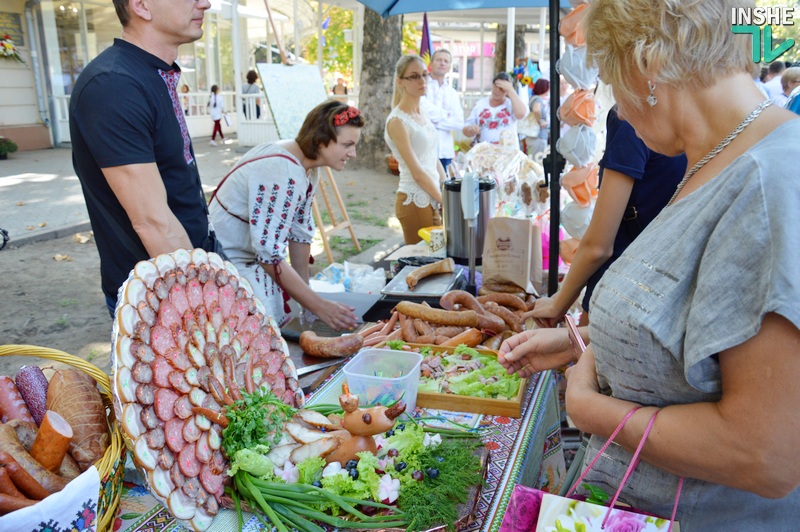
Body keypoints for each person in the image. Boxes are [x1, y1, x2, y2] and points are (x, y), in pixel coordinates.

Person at [527, 0, 800, 527]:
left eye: (609, 79)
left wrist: (592, 411)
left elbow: (766, 454)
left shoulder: (770, 183)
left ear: (646, 65)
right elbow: (694, 331)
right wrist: (578, 344)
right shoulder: (718, 154)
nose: (619, 110)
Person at [69, 0, 213, 316]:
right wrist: (207, 308)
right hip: (162, 298)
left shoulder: (149, 72)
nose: (206, 3)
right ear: (141, 6)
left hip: (188, 272)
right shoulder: (114, 83)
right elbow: (151, 221)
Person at [209, 100, 362, 330]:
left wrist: (308, 302)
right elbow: (268, 254)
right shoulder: (280, 169)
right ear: (321, 140)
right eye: (348, 144)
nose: (353, 153)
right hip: (225, 262)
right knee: (262, 331)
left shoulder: (306, 167)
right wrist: (318, 305)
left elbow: (299, 236)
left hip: (250, 259)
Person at [529, 106, 687, 327]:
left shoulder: (629, 114)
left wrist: (559, 303)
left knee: (585, 359)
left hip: (618, 288)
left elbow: (599, 246)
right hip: (665, 291)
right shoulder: (688, 112)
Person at [385, 55, 446, 245]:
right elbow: (417, 172)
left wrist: (447, 189)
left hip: (433, 195)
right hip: (414, 199)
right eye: (414, 76)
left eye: (424, 75)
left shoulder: (422, 113)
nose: (422, 81)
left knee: (436, 261)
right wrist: (444, 199)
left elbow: (432, 158)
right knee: (422, 265)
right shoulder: (397, 121)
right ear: (400, 81)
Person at [420, 49, 464, 174]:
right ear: (431, 64)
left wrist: (434, 121)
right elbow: (421, 110)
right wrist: (446, 115)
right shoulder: (421, 86)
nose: (442, 63)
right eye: (439, 60)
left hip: (445, 151)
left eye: (446, 61)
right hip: (424, 148)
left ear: (449, 66)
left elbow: (459, 123)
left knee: (443, 189)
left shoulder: (452, 93)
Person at [462, 72, 527, 144]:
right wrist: (471, 129)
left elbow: (521, 114)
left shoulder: (511, 104)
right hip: (484, 152)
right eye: (496, 86)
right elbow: (465, 129)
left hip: (508, 152)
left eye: (502, 88)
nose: (497, 90)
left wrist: (510, 90)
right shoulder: (481, 104)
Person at [525, 78, 551, 159]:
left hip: (532, 135)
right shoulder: (538, 99)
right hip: (538, 135)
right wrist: (540, 122)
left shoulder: (532, 98)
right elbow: (536, 110)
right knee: (537, 161)